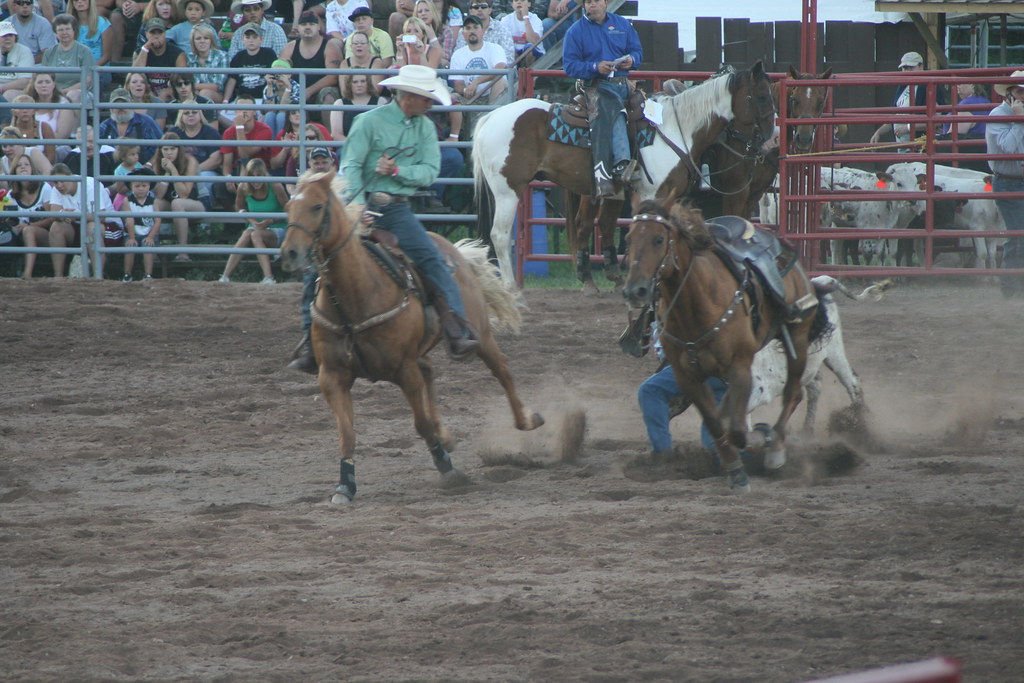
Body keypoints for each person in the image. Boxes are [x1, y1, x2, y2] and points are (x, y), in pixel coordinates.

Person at [297, 65, 480, 368]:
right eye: (426, 98)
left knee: (433, 260)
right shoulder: (369, 122)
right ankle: (310, 341)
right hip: (357, 205)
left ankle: (455, 329)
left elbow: (429, 171)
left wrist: (398, 171)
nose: (430, 104)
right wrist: (356, 209)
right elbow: (351, 166)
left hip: (395, 210)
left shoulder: (424, 128)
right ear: (408, 97)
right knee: (317, 266)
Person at [562, 0, 642, 198]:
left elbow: (637, 51)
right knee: (613, 109)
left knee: (648, 111)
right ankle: (619, 165)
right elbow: (569, 66)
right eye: (587, 2)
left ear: (606, 3)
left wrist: (632, 60)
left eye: (595, 1)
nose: (591, 6)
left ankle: (651, 163)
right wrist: (595, 67)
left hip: (624, 83)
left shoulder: (623, 25)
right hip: (596, 85)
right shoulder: (575, 31)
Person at [47, 161, 124, 277]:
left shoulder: (90, 185)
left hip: (110, 227)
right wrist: (62, 214)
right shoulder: (57, 189)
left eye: (62, 181)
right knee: (56, 227)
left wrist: (74, 216)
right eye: (56, 182)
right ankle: (58, 276)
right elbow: (53, 214)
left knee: (91, 227)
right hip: (79, 228)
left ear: (71, 176)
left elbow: (101, 217)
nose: (59, 185)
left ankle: (97, 276)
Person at [218, 157, 288, 284]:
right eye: (252, 177)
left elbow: (288, 210)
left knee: (255, 234)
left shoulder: (275, 185)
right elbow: (238, 207)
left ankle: (269, 277)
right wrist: (250, 218)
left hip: (278, 227)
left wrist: (270, 221)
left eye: (259, 176)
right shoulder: (243, 187)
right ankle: (225, 276)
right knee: (247, 234)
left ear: (264, 175)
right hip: (255, 226)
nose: (256, 181)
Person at [986, 70, 1024, 298]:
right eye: (1020, 92)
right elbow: (1009, 148)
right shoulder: (997, 115)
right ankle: (1011, 288)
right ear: (1009, 95)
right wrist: (1019, 120)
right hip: (1008, 182)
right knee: (1018, 234)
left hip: (1014, 181)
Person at [870, 51, 949, 148]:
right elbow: (896, 115)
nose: (907, 71)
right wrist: (879, 132)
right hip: (903, 145)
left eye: (911, 68)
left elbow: (938, 120)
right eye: (904, 68)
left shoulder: (930, 87)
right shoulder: (903, 86)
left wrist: (908, 128)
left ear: (921, 66)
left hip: (921, 145)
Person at [149, 131, 203, 260]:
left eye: (173, 149)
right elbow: (159, 194)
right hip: (169, 202)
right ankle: (151, 251)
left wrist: (173, 170)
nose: (169, 152)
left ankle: (183, 252)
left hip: (194, 203)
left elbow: (184, 193)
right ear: (161, 150)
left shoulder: (190, 161)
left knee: (177, 203)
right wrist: (166, 174)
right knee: (154, 203)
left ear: (179, 149)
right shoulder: (158, 162)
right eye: (165, 149)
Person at [277, 11, 343, 111]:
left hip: (320, 91)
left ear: (318, 27)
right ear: (298, 28)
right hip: (295, 91)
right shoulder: (290, 47)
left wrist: (309, 91)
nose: (307, 27)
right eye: (303, 24)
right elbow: (281, 73)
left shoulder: (330, 46)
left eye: (311, 24)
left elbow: (333, 77)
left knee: (328, 95)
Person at [8, 151, 55, 277]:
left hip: (47, 234)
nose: (23, 167)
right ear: (14, 171)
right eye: (19, 165)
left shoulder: (44, 188)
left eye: (26, 164)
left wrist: (28, 226)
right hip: (21, 234)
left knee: (29, 231)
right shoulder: (11, 195)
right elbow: (9, 220)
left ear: (32, 168)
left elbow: (52, 218)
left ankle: (27, 274)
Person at [166, 101, 221, 209]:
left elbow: (216, 160)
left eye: (194, 112)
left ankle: (205, 218)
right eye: (186, 113)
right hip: (179, 172)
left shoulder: (210, 132)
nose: (190, 115)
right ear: (181, 116)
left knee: (204, 178)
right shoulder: (174, 132)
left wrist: (192, 172)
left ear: (200, 115)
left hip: (205, 172)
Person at [220, 95, 274, 194]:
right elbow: (227, 162)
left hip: (261, 171)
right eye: (240, 109)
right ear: (235, 111)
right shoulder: (228, 132)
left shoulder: (264, 130)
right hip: (238, 171)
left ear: (254, 112)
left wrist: (239, 127)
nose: (244, 112)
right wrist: (228, 178)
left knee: (244, 161)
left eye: (248, 108)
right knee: (219, 187)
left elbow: (246, 155)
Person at [448, 14, 506, 105]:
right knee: (452, 98)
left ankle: (489, 114)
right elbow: (458, 84)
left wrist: (476, 82)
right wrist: (466, 90)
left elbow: (500, 69)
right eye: (468, 28)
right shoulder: (457, 54)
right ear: (463, 33)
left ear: (483, 31)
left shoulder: (495, 48)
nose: (472, 31)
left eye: (475, 27)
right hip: (469, 98)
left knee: (501, 81)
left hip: (492, 95)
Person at [97, 87, 163, 163]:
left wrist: (149, 165)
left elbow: (161, 146)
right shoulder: (104, 126)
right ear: (110, 107)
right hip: (110, 173)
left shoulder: (146, 122)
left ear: (131, 104)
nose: (120, 107)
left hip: (141, 172)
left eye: (124, 103)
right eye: (116, 104)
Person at [41, 13, 94, 102]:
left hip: (80, 92)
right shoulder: (49, 52)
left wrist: (65, 91)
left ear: (74, 30)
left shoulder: (84, 51)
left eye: (67, 29)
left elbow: (88, 80)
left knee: (72, 95)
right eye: (60, 30)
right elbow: (44, 77)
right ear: (56, 33)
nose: (64, 33)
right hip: (53, 91)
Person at [132, 17, 186, 100]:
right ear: (146, 34)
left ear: (165, 34)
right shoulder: (139, 53)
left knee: (165, 94)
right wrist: (145, 48)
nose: (156, 36)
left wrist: (167, 91)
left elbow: (183, 79)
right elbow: (134, 75)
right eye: (152, 33)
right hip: (146, 92)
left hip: (170, 94)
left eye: (160, 32)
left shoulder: (177, 53)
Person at [121, 166, 161, 280]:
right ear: (131, 187)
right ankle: (127, 274)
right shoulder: (127, 200)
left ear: (149, 186)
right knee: (130, 246)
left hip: (149, 232)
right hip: (132, 232)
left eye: (144, 186)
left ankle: (148, 274)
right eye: (137, 186)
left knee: (147, 246)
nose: (141, 189)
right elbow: (129, 219)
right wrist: (132, 237)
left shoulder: (154, 201)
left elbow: (158, 220)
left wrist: (151, 236)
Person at [222, 22, 275, 103]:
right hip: (242, 100)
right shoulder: (238, 57)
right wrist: (225, 100)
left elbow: (274, 77)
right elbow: (232, 80)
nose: (251, 40)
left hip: (264, 99)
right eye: (248, 37)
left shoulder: (269, 54)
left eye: (254, 37)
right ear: (243, 39)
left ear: (261, 39)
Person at [68, 0, 114, 91]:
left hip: (99, 70)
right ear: (72, 3)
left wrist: (89, 70)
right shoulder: (68, 26)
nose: (80, 2)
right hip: (75, 69)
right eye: (76, 0)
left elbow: (107, 56)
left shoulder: (103, 23)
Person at [328, 71, 383, 142]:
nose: (359, 84)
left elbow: (384, 131)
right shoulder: (339, 103)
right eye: (355, 82)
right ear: (349, 84)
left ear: (368, 83)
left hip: (374, 147)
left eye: (363, 81)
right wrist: (354, 147)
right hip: (347, 147)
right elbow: (336, 135)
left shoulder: (380, 102)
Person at [453, 0, 513, 64]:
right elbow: (459, 56)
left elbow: (508, 59)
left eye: (483, 7)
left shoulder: (502, 30)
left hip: (496, 71)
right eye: (476, 7)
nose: (479, 9)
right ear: (470, 11)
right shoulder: (464, 31)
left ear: (490, 10)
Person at [7, 94, 55, 165]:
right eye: (20, 108)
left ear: (34, 110)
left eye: (28, 108)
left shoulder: (44, 127)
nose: (25, 111)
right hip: (16, 170)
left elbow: (51, 157)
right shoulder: (8, 132)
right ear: (14, 112)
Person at [187, 24, 228, 103]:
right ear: (193, 42)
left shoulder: (221, 56)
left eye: (206, 38)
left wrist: (191, 86)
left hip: (217, 95)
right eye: (198, 38)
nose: (202, 41)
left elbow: (217, 86)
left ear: (211, 41)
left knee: (204, 93)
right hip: (194, 92)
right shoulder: (189, 57)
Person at [337, 28, 385, 94]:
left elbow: (376, 90)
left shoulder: (376, 62)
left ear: (369, 46)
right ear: (351, 47)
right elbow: (344, 92)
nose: (359, 45)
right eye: (356, 43)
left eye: (362, 43)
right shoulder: (345, 63)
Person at [0, 21, 36, 102]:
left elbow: (26, 81)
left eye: (11, 35)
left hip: (18, 90)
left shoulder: (24, 51)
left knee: (9, 94)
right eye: (4, 35)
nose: (8, 38)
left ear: (15, 37)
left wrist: (2, 88)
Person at [498, 0, 542, 66]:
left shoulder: (535, 19)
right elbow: (503, 42)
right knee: (510, 49)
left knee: (529, 48)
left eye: (522, 0)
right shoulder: (505, 20)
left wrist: (526, 17)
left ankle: (529, 75)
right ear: (512, 4)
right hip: (514, 53)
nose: (519, 2)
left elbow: (533, 41)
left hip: (534, 54)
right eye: (516, 0)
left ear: (529, 4)